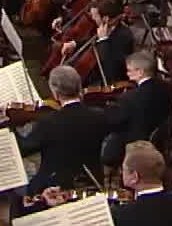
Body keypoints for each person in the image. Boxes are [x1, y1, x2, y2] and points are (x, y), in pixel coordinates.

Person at [18, 66, 112, 197]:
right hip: (92, 183)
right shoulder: (99, 116)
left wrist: (6, 123)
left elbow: (23, 148)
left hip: (54, 187)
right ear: (79, 88)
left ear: (55, 93)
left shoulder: (48, 122)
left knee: (17, 193)